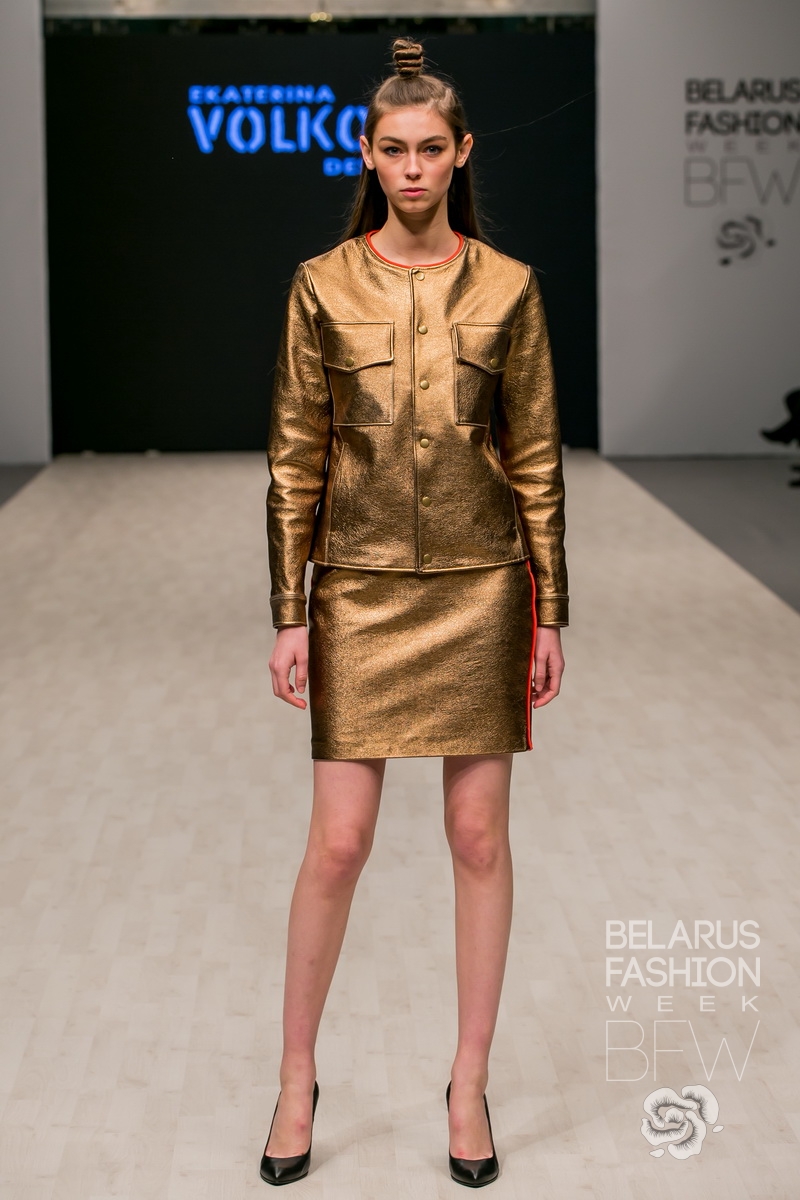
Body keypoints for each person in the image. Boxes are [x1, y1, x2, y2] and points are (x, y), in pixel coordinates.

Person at [261, 36, 568, 1188]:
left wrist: (548, 611)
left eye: (429, 148)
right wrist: (289, 610)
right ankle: (296, 1076)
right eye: (392, 149)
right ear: (366, 152)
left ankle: (468, 1080)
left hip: (484, 587)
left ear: (461, 152)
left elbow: (534, 458)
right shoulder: (320, 285)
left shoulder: (508, 288)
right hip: (356, 588)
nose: (410, 168)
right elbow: (294, 458)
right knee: (337, 844)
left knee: (477, 838)